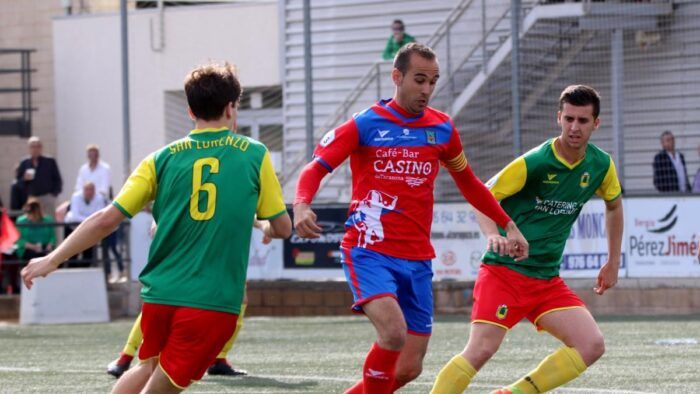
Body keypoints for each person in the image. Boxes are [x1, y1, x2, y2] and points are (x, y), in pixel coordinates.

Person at [21, 62, 291, 393]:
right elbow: (284, 227)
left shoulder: (159, 159)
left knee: (148, 366)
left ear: (190, 111)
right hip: (211, 302)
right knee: (159, 385)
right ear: (232, 108)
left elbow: (106, 218)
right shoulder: (255, 154)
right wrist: (268, 225)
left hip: (159, 297)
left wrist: (53, 258)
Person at [294, 43, 528, 394]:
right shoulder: (365, 124)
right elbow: (316, 167)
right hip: (368, 250)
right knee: (392, 333)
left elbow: (471, 184)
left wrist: (508, 225)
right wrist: (301, 204)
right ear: (397, 77)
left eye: (433, 81)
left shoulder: (443, 129)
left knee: (408, 367)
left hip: (417, 258)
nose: (427, 89)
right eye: (419, 80)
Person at [431, 85, 624, 394]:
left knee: (591, 345)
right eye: (569, 119)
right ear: (558, 118)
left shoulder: (601, 166)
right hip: (503, 273)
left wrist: (613, 261)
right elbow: (482, 195)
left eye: (583, 121)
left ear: (596, 123)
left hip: (546, 280)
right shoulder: (534, 162)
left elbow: (614, 206)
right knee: (481, 350)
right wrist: (493, 233)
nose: (574, 127)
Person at [12, 197, 56, 293]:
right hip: (27, 250)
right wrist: (31, 246)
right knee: (32, 258)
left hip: (44, 249)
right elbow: (17, 239)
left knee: (51, 258)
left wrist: (50, 244)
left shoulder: (48, 220)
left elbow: (53, 237)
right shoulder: (21, 221)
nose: (30, 216)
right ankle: (29, 286)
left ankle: (48, 288)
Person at [64, 182, 109, 269]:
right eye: (87, 190)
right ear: (83, 190)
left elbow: (100, 215)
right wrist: (90, 220)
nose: (89, 192)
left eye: (91, 190)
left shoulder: (99, 198)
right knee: (71, 252)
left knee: (88, 254)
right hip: (73, 228)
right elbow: (75, 216)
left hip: (90, 229)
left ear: (94, 191)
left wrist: (89, 222)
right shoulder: (76, 197)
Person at [14, 136, 63, 215]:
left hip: (47, 197)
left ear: (41, 148)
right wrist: (24, 179)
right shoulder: (24, 163)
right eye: (33, 147)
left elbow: (57, 179)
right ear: (29, 148)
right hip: (31, 199)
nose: (35, 149)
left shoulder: (50, 161)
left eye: (38, 146)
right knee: (33, 222)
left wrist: (53, 194)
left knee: (49, 221)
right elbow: (18, 183)